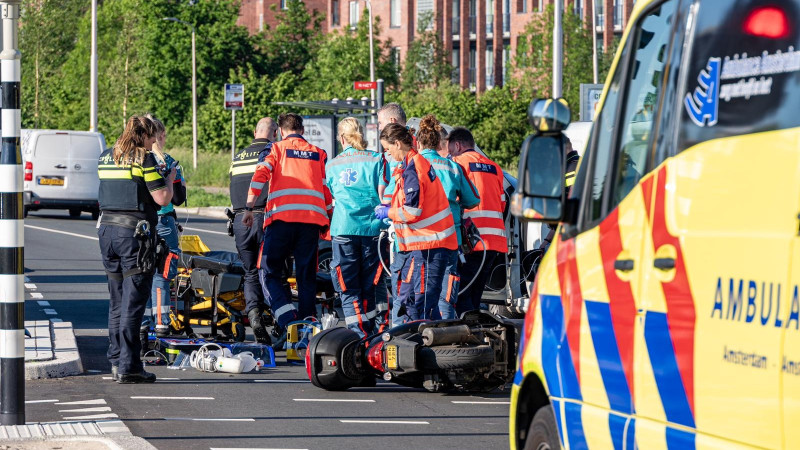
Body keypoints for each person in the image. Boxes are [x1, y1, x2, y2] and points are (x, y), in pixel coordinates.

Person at [98, 115, 174, 383]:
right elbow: (161, 198)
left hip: (106, 231)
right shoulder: (144, 158)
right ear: (143, 135)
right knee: (133, 303)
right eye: (152, 136)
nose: (155, 142)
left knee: (116, 300)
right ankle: (129, 367)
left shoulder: (107, 156)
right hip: (134, 235)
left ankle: (116, 359)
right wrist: (170, 178)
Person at [242, 113, 332, 330]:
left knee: (268, 269)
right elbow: (324, 189)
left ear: (281, 131)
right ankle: (308, 322)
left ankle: (287, 318)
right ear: (302, 130)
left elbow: (260, 175)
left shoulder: (276, 149)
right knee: (306, 274)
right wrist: (329, 215)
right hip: (310, 222)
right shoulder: (318, 153)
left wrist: (249, 207)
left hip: (281, 220)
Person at [375, 124, 457, 322]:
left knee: (420, 305)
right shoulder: (413, 164)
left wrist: (389, 212)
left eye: (388, 149)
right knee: (419, 303)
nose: (388, 154)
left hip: (428, 245)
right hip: (426, 245)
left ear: (397, 143)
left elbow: (412, 211)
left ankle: (423, 348)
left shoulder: (413, 168)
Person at [415, 115, 480, 320]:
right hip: (450, 241)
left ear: (417, 142)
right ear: (440, 143)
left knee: (419, 295)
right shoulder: (453, 167)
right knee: (446, 297)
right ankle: (447, 342)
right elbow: (473, 200)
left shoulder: (412, 165)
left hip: (419, 242)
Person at [325, 118, 384, 337]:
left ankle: (359, 335)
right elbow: (383, 193)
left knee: (348, 289)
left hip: (343, 229)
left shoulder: (332, 165)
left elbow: (329, 199)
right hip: (372, 230)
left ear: (342, 138)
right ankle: (372, 334)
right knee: (369, 286)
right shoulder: (377, 160)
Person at [449, 127, 508, 316]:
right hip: (493, 242)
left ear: (457, 145)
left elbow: (453, 201)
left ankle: (466, 338)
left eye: (450, 149)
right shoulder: (494, 167)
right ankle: (475, 333)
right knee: (475, 294)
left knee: (462, 294)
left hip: (470, 240)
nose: (449, 153)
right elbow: (503, 203)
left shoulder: (457, 164)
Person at [230, 117, 278, 344]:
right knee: (271, 271)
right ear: (275, 134)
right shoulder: (272, 151)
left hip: (240, 219)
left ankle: (254, 315)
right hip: (263, 216)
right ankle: (278, 319)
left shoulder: (238, 157)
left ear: (254, 131)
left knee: (250, 273)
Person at [141, 115, 186, 339]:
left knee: (140, 272)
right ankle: (161, 324)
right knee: (162, 276)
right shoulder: (171, 162)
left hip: (142, 222)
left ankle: (141, 323)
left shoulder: (137, 159)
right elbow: (177, 198)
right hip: (165, 222)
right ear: (162, 135)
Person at [376, 103, 412, 326]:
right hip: (412, 235)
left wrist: (386, 210)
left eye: (379, 122)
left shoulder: (400, 155)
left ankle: (397, 338)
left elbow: (389, 192)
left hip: (406, 235)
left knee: (403, 290)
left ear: (391, 123)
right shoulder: (417, 150)